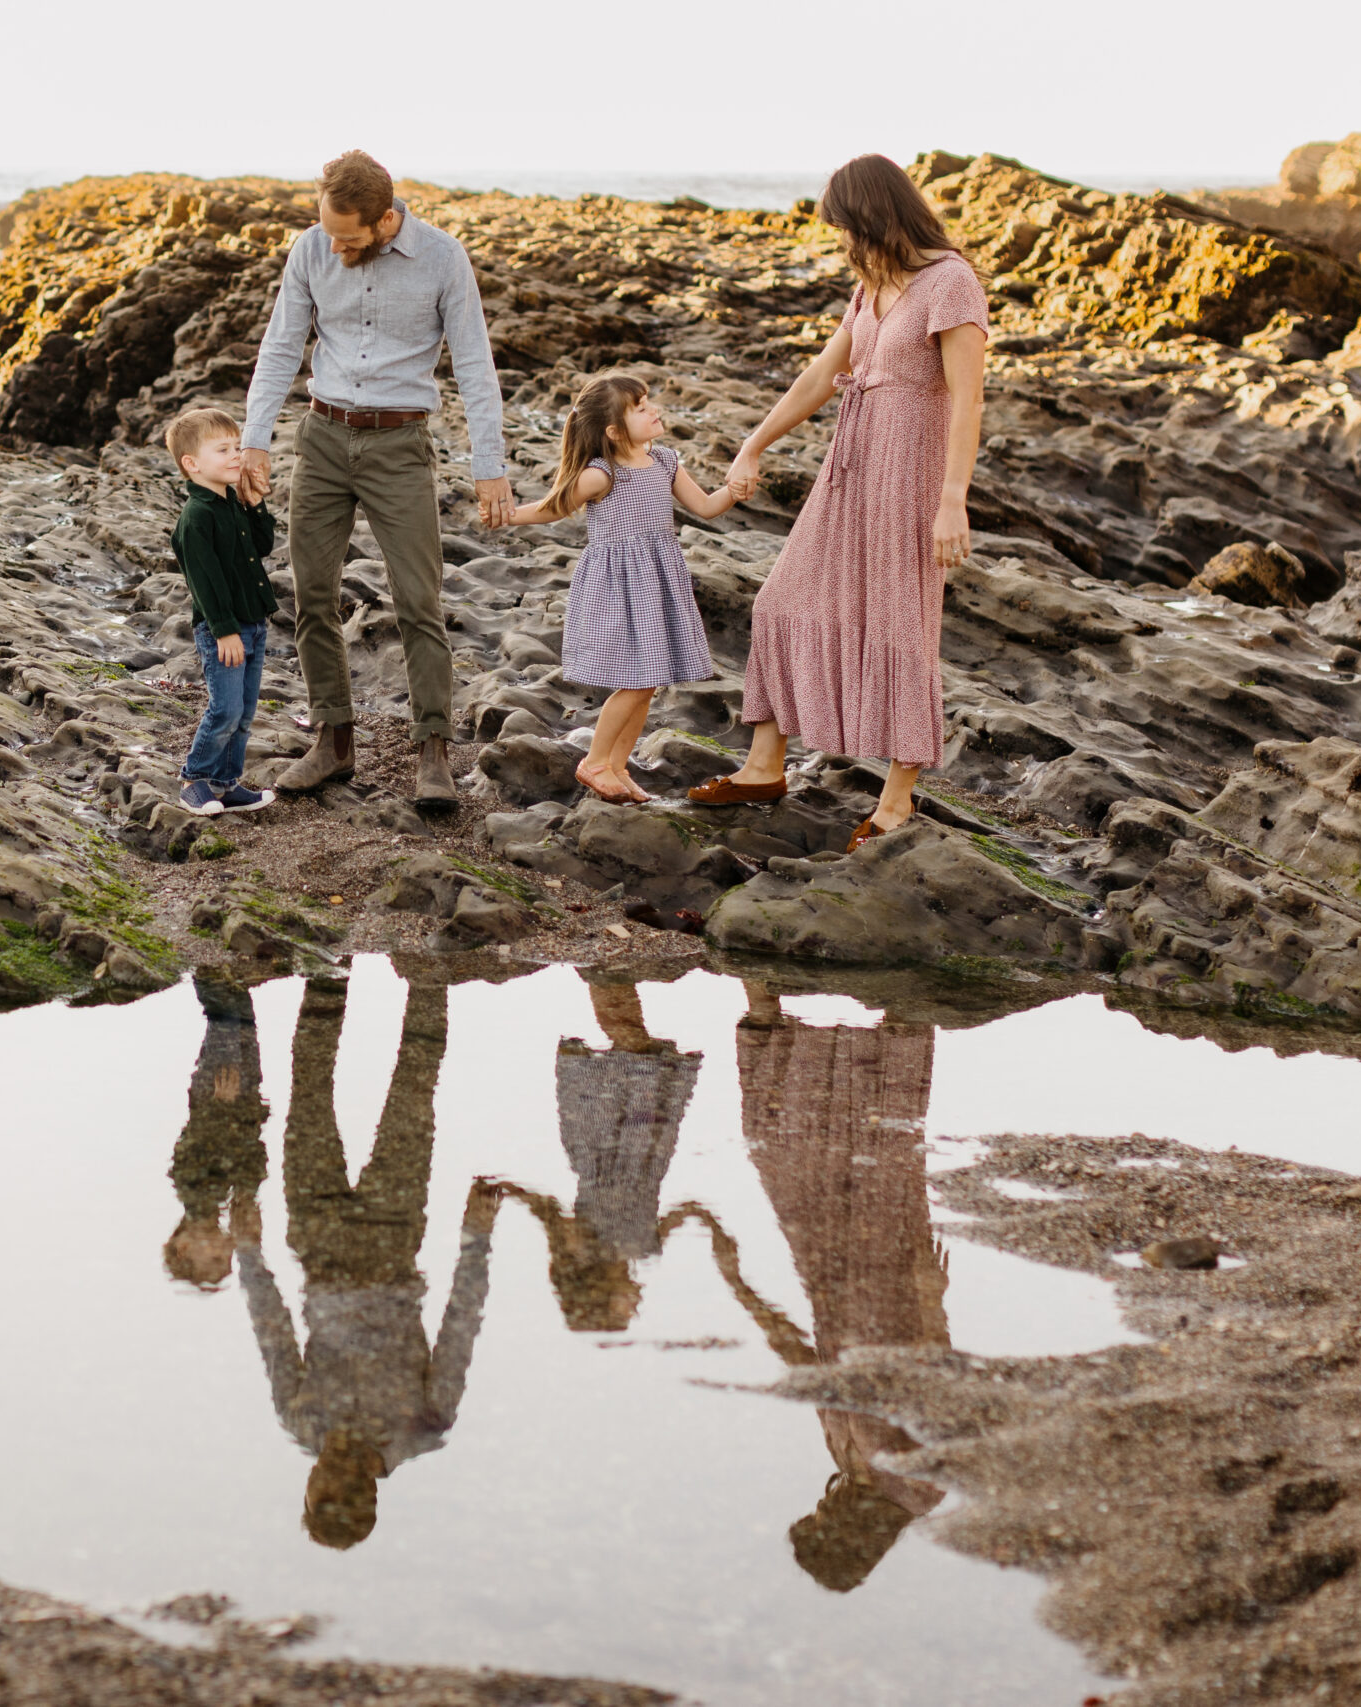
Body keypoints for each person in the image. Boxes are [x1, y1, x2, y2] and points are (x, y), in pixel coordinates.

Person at [690, 155, 990, 851]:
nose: (843, 243)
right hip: (849, 469)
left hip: (911, 474)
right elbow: (824, 375)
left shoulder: (952, 283)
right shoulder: (871, 288)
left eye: (846, 229)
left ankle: (896, 799)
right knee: (782, 600)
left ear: (877, 215)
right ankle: (765, 765)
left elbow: (968, 398)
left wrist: (953, 500)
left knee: (901, 625)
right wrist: (753, 444)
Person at [238, 150, 513, 811]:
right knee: (311, 594)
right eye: (327, 232)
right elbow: (281, 346)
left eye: (348, 237)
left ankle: (433, 753)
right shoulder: (311, 250)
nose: (334, 247)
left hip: (400, 445)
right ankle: (332, 741)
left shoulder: (444, 259)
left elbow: (475, 364)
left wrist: (490, 467)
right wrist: (255, 439)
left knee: (419, 600)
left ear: (387, 219)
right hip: (324, 436)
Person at [232, 974, 496, 1548]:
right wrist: (476, 1240)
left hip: (318, 1241)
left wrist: (251, 1254)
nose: (320, 1475)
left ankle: (331, 963)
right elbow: (460, 1330)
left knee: (307, 1094)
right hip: (392, 1238)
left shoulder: (300, 1422)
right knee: (413, 1085)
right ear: (366, 1493)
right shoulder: (422, 1428)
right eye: (334, 1492)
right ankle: (430, 966)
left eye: (316, 1491)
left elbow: (274, 1334)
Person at [735, 984, 950, 1592]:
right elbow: (937, 1379)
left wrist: (746, 1296)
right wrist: (929, 1291)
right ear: (846, 1533)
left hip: (834, 1296)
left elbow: (816, 1376)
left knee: (780, 1148)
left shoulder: (853, 1470)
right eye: (819, 1520)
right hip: (886, 1298)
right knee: (878, 1158)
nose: (818, 1506)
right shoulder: (913, 1484)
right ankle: (904, 1011)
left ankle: (769, 1009)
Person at [499, 375, 733, 804]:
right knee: (637, 681)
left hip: (658, 581)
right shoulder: (600, 474)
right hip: (618, 587)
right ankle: (595, 761)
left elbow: (705, 506)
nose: (653, 410)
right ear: (613, 430)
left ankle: (618, 765)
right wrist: (507, 516)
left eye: (649, 402)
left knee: (652, 680)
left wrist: (733, 491)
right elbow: (554, 507)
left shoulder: (665, 461)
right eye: (640, 407)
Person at [493, 976, 703, 1331]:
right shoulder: (642, 1252)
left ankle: (604, 971)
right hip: (649, 1151)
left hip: (605, 1146)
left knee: (630, 1041)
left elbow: (549, 1211)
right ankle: (608, 972)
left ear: (600, 1294)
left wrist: (508, 1191)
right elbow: (682, 1212)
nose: (635, 1307)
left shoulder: (586, 1250)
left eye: (624, 1311)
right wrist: (709, 1225)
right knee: (636, 1044)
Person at [165, 407, 282, 816]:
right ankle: (194, 779)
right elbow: (206, 583)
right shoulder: (196, 518)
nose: (236, 455)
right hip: (223, 630)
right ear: (192, 464)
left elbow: (263, 546)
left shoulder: (233, 502)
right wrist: (224, 631)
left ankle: (226, 783)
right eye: (223, 449)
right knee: (225, 708)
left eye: (236, 446)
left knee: (246, 712)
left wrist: (255, 504)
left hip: (253, 623)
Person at [162, 970, 270, 1289]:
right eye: (225, 1260)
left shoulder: (193, 1191)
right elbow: (252, 1152)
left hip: (219, 1093)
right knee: (241, 1020)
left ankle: (204, 959)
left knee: (225, 1019)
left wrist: (220, 1105)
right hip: (242, 1101)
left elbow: (197, 1137)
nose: (226, 1252)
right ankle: (215, 958)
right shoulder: (220, 1199)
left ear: (183, 1245)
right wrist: (248, 1196)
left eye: (213, 1258)